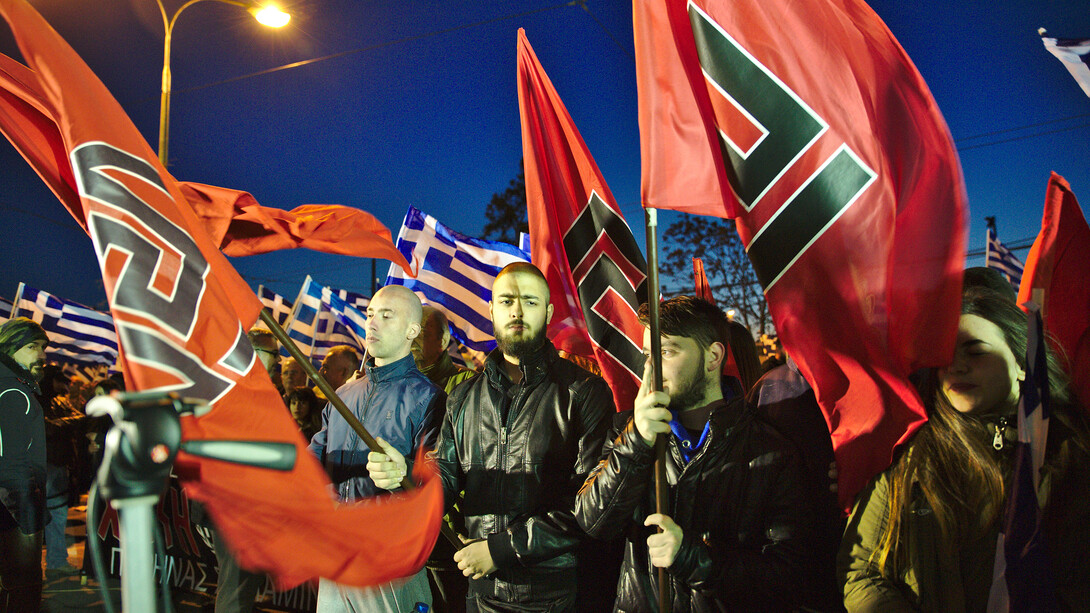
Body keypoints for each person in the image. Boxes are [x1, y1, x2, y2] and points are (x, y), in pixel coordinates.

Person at [369, 262, 616, 612]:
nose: (517, 310)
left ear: (547, 312)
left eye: (530, 301)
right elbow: (445, 479)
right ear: (492, 310)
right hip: (480, 592)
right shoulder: (463, 396)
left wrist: (501, 550)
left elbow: (590, 505)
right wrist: (405, 474)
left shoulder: (584, 392)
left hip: (556, 594)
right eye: (507, 300)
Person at [838, 287, 1090, 612]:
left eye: (976, 351)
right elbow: (862, 571)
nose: (955, 366)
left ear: (1022, 361)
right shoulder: (909, 453)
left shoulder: (1074, 456)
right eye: (944, 355)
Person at [575, 296, 828, 612]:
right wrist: (636, 442)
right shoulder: (627, 432)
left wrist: (692, 558)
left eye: (666, 352)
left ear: (713, 356)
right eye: (647, 355)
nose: (649, 368)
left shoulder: (770, 451)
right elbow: (593, 522)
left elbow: (788, 576)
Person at [309, 284, 444, 611]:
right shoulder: (343, 394)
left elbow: (440, 482)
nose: (372, 323)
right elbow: (314, 461)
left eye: (386, 315)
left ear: (413, 330)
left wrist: (405, 476)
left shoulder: (428, 398)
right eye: (370, 314)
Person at [411, 305, 475, 613]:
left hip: (447, 538)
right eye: (408, 330)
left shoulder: (466, 387)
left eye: (421, 332)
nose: (412, 339)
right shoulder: (388, 389)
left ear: (445, 339)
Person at [0, 318, 50, 611]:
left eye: (43, 347)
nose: (41, 354)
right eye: (32, 347)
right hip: (15, 508)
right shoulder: (13, 391)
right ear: (9, 348)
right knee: (22, 587)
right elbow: (10, 462)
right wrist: (28, 511)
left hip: (11, 506)